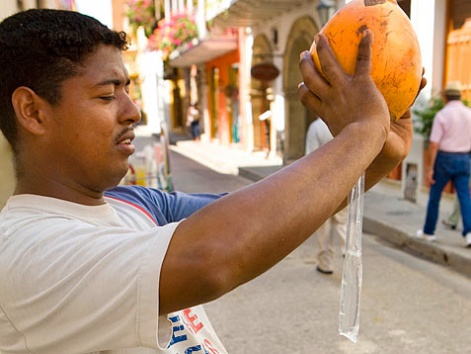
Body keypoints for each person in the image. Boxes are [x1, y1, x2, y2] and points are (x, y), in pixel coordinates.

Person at [0, 9, 423, 353]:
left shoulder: (135, 205)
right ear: (33, 112)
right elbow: (215, 257)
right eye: (107, 95)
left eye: (128, 90)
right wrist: (362, 133)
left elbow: (265, 218)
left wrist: (375, 157)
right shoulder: (21, 255)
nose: (133, 111)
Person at [416, 82, 471, 247]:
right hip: (464, 158)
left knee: (435, 196)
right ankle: (469, 233)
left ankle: (428, 232)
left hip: (445, 159)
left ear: (445, 97)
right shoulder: (469, 113)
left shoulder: (442, 115)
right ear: (459, 97)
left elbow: (434, 144)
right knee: (464, 196)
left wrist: (430, 168)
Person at [305, 118, 348, 274]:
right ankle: (347, 252)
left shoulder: (316, 127)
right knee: (342, 222)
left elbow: (310, 159)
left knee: (324, 226)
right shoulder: (344, 123)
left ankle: (325, 263)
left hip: (322, 184)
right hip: (344, 180)